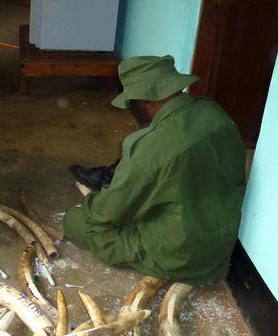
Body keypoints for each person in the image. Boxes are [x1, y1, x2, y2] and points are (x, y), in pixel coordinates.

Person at [64, 55, 246, 286]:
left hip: (180, 256)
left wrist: (92, 202)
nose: (130, 110)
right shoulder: (214, 112)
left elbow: (109, 214)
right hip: (218, 247)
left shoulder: (148, 146)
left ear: (145, 101)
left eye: (130, 103)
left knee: (76, 220)